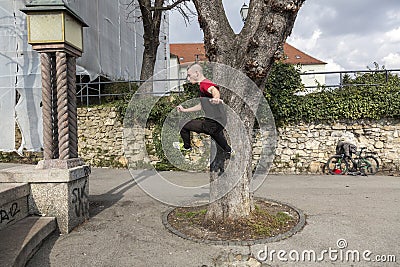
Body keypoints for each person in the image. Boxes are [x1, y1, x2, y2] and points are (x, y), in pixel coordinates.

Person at [176, 63, 233, 156]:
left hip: (212, 123)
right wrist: (184, 110)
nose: (188, 78)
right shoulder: (203, 86)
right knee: (215, 134)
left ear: (197, 73)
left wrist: (216, 97)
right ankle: (228, 150)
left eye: (189, 75)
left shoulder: (204, 84)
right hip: (219, 122)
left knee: (183, 124)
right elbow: (202, 106)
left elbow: (214, 90)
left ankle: (187, 147)